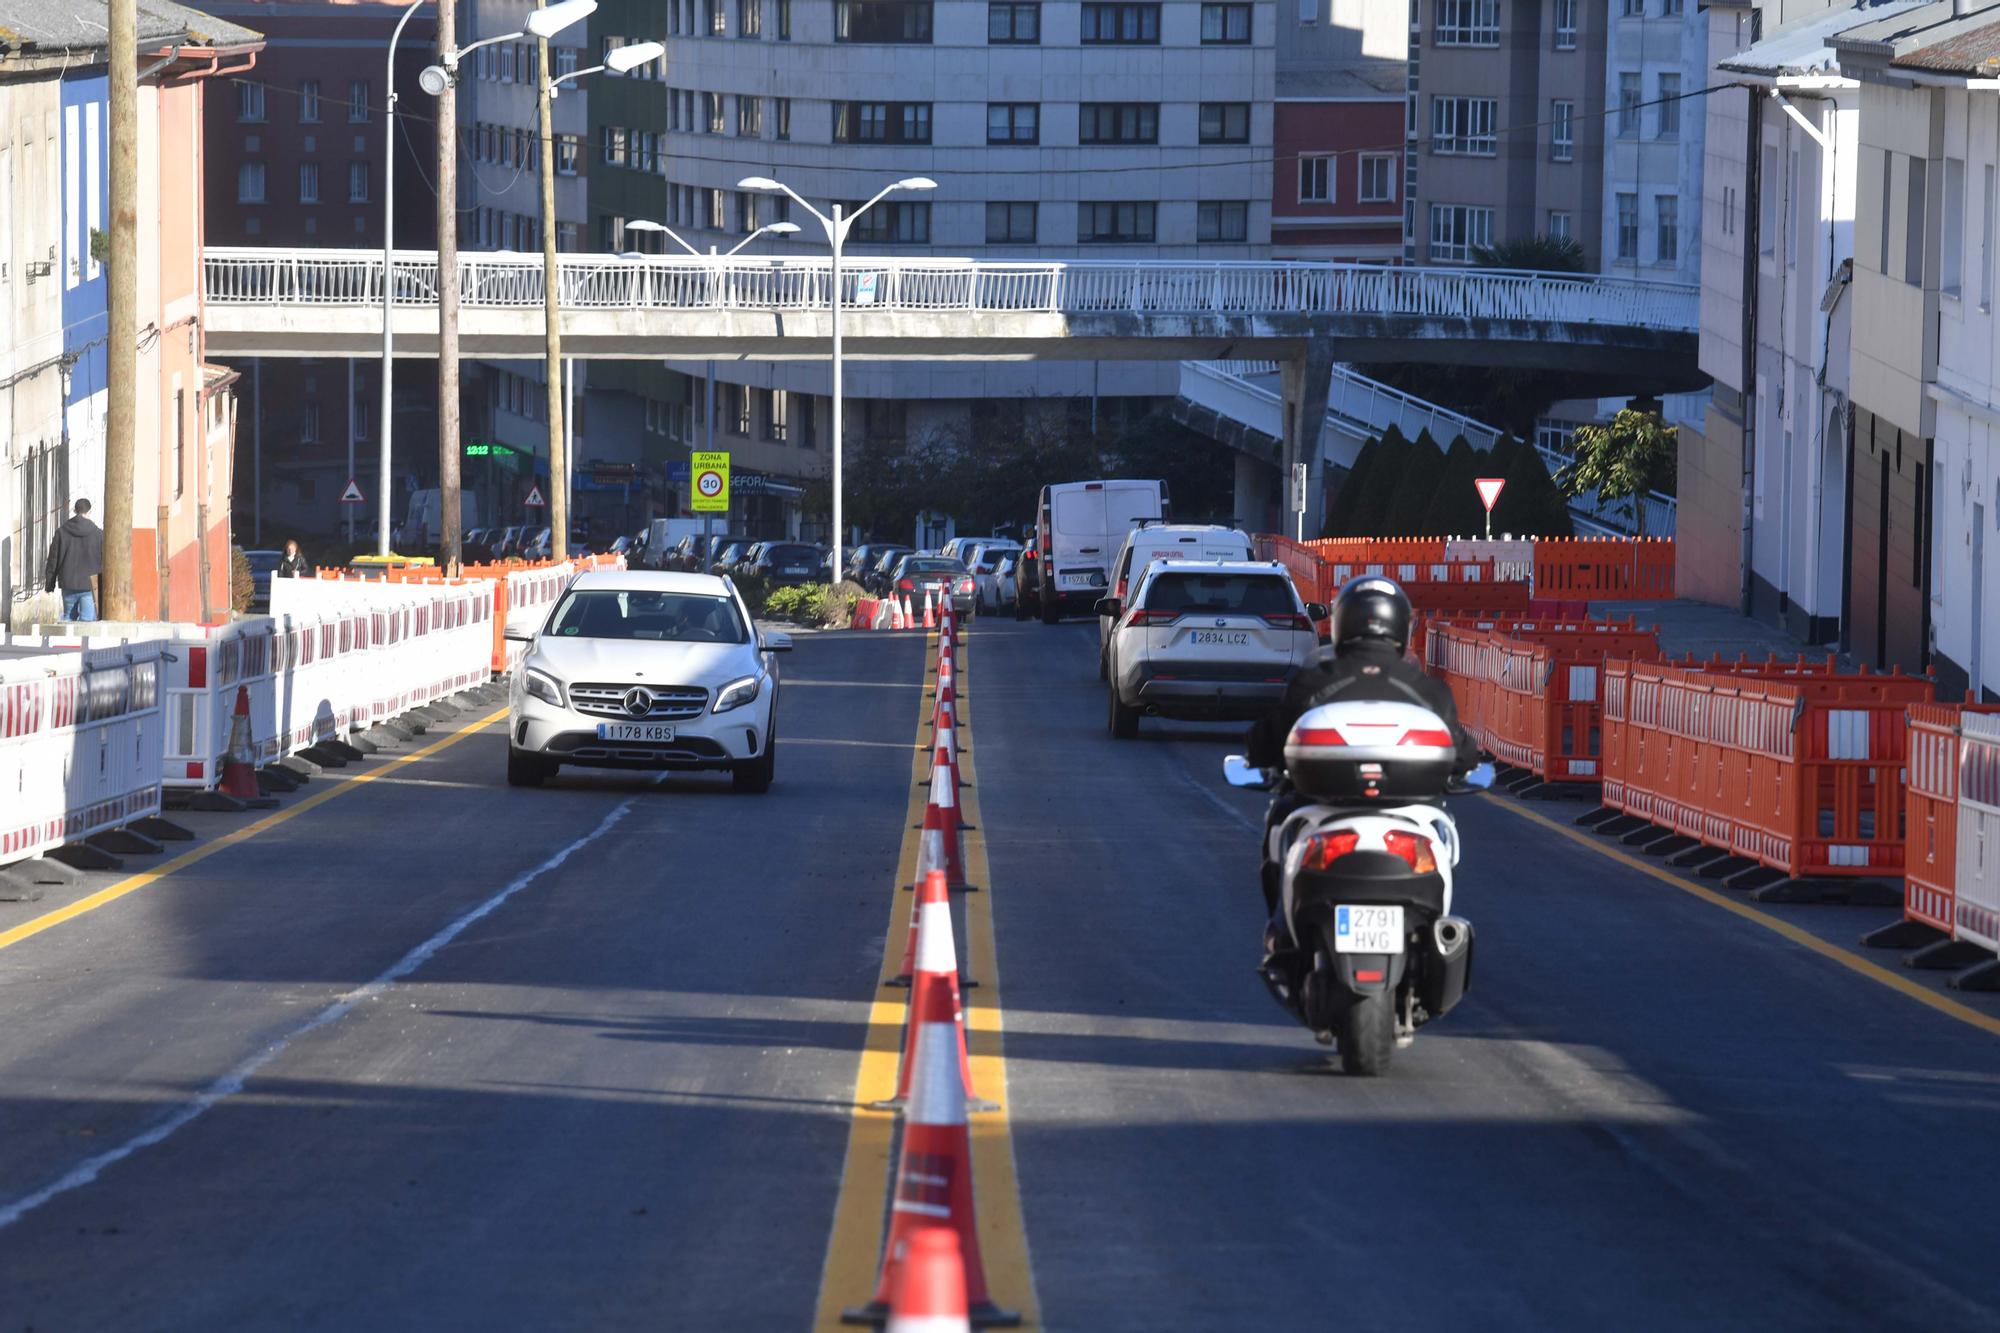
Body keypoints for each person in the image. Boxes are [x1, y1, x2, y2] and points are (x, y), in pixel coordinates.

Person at [1244, 575, 1481, 920]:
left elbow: (1265, 741)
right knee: (1445, 841)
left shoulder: (1314, 681)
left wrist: (1257, 758)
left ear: (1342, 623)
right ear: (1401, 628)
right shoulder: (1428, 691)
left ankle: (1279, 926)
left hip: (1321, 815)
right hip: (1410, 825)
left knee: (1280, 822)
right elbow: (1464, 756)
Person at [44, 498, 104, 623]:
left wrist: (50, 584)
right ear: (89, 512)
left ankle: (66, 642)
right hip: (89, 585)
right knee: (87, 622)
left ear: (74, 510)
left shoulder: (61, 532)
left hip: (68, 584)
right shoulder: (98, 534)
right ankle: (84, 643)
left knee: (68, 619)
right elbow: (105, 560)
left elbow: (53, 560)